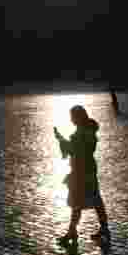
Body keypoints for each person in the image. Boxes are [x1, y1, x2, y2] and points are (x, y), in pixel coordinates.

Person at [54, 105, 111, 246]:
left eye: (72, 116)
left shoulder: (81, 134)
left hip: (81, 171)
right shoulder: (89, 131)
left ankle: (72, 232)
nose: (71, 119)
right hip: (88, 169)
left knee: (77, 202)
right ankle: (103, 229)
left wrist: (60, 139)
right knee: (94, 201)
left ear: (77, 117)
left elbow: (74, 150)